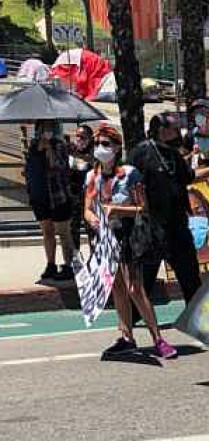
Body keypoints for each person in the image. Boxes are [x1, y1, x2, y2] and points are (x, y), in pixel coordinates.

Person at [84, 125, 177, 359]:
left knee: (135, 288)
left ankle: (158, 338)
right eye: (97, 144)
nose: (100, 149)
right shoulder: (92, 176)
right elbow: (87, 209)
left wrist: (116, 209)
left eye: (106, 144)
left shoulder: (129, 174)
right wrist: (93, 218)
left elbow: (142, 208)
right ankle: (127, 336)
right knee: (116, 287)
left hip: (128, 237)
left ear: (117, 147)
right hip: (106, 237)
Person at [128, 113, 209, 316]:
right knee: (146, 274)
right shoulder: (141, 153)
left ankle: (195, 314)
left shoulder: (173, 155)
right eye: (174, 129)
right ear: (161, 130)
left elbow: (188, 177)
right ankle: (133, 315)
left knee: (189, 273)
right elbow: (128, 182)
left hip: (177, 224)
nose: (179, 134)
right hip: (152, 226)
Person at [24, 120, 75, 282]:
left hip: (57, 195)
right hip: (39, 195)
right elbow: (29, 167)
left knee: (63, 232)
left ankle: (69, 265)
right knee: (47, 231)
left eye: (50, 128)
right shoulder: (32, 145)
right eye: (44, 128)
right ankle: (50, 264)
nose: (47, 131)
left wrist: (50, 151)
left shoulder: (60, 145)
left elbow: (61, 168)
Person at [68, 124, 95, 252]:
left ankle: (95, 256)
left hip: (89, 197)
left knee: (91, 228)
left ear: (90, 138)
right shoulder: (71, 151)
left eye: (83, 137)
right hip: (74, 196)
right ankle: (75, 256)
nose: (79, 139)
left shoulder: (94, 154)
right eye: (77, 136)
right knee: (73, 228)